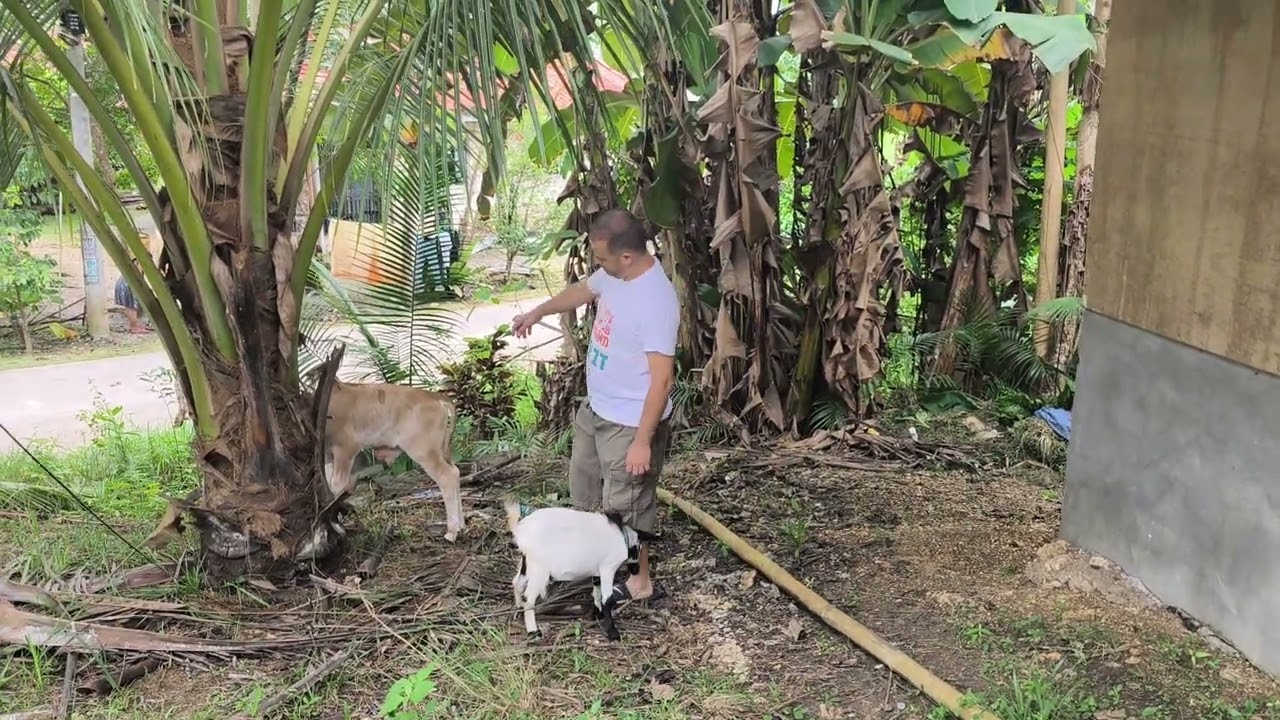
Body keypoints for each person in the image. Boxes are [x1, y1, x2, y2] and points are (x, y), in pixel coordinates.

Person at [512, 209, 679, 603]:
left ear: (626, 256)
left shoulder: (656, 301)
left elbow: (663, 379)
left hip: (629, 422)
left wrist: (642, 441)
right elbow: (585, 290)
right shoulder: (616, 275)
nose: (596, 265)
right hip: (597, 409)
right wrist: (538, 312)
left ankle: (641, 582)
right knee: (585, 488)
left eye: (602, 258)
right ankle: (589, 563)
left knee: (628, 507)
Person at [113, 267, 148, 334]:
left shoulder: (133, 261)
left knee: (129, 306)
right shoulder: (139, 263)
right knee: (132, 307)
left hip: (124, 281)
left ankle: (133, 325)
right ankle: (134, 327)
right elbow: (138, 274)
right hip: (129, 283)